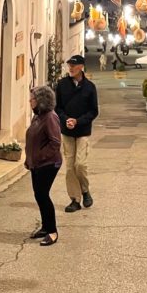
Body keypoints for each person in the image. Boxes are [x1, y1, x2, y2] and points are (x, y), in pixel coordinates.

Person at [55, 54, 99, 212]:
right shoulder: (62, 85)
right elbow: (57, 107)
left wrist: (78, 121)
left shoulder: (89, 87)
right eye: (69, 66)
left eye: (74, 66)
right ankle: (75, 199)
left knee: (80, 164)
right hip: (67, 131)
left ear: (81, 67)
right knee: (69, 168)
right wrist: (66, 119)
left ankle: (85, 190)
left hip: (82, 131)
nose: (71, 68)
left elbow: (94, 111)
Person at [24, 85, 62, 246]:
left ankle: (52, 231)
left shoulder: (50, 117)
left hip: (48, 164)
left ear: (40, 101)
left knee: (43, 195)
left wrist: (39, 157)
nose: (29, 101)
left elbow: (55, 143)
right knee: (39, 195)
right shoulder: (38, 116)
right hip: (37, 164)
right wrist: (29, 159)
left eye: (32, 99)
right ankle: (45, 227)